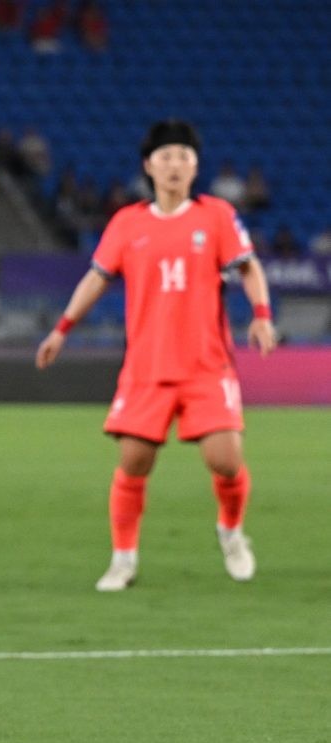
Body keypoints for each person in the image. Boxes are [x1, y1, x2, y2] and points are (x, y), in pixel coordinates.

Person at [35, 119, 277, 592]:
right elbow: (97, 277)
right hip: (146, 369)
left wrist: (262, 315)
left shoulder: (216, 216)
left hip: (207, 366)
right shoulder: (128, 223)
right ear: (148, 166)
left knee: (226, 461)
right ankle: (123, 559)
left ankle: (231, 531)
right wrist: (62, 328)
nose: (174, 166)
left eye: (183, 158)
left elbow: (249, 267)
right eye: (165, 157)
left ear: (195, 167)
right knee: (134, 462)